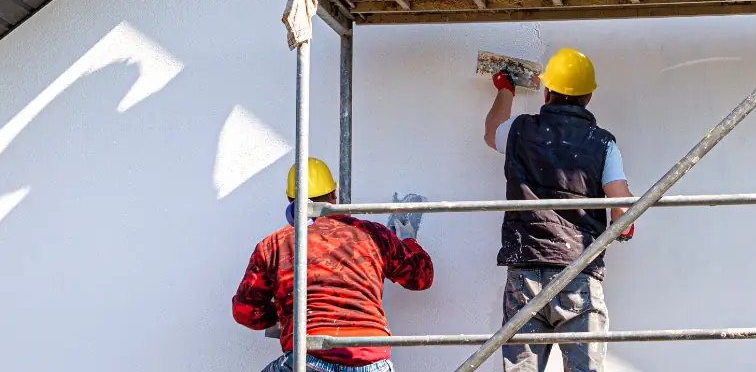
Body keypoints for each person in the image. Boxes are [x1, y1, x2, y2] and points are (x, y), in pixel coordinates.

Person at [481, 48, 634, 372]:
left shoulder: (520, 130)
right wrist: (624, 227)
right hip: (577, 271)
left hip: (526, 269)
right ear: (589, 96)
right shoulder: (602, 142)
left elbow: (492, 132)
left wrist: (505, 90)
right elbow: (621, 202)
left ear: (547, 91)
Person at [233, 158, 434, 372]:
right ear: (333, 196)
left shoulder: (275, 244)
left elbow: (246, 311)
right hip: (371, 362)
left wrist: (283, 314)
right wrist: (408, 240)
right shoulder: (373, 235)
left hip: (308, 360)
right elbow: (421, 277)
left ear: (290, 199)